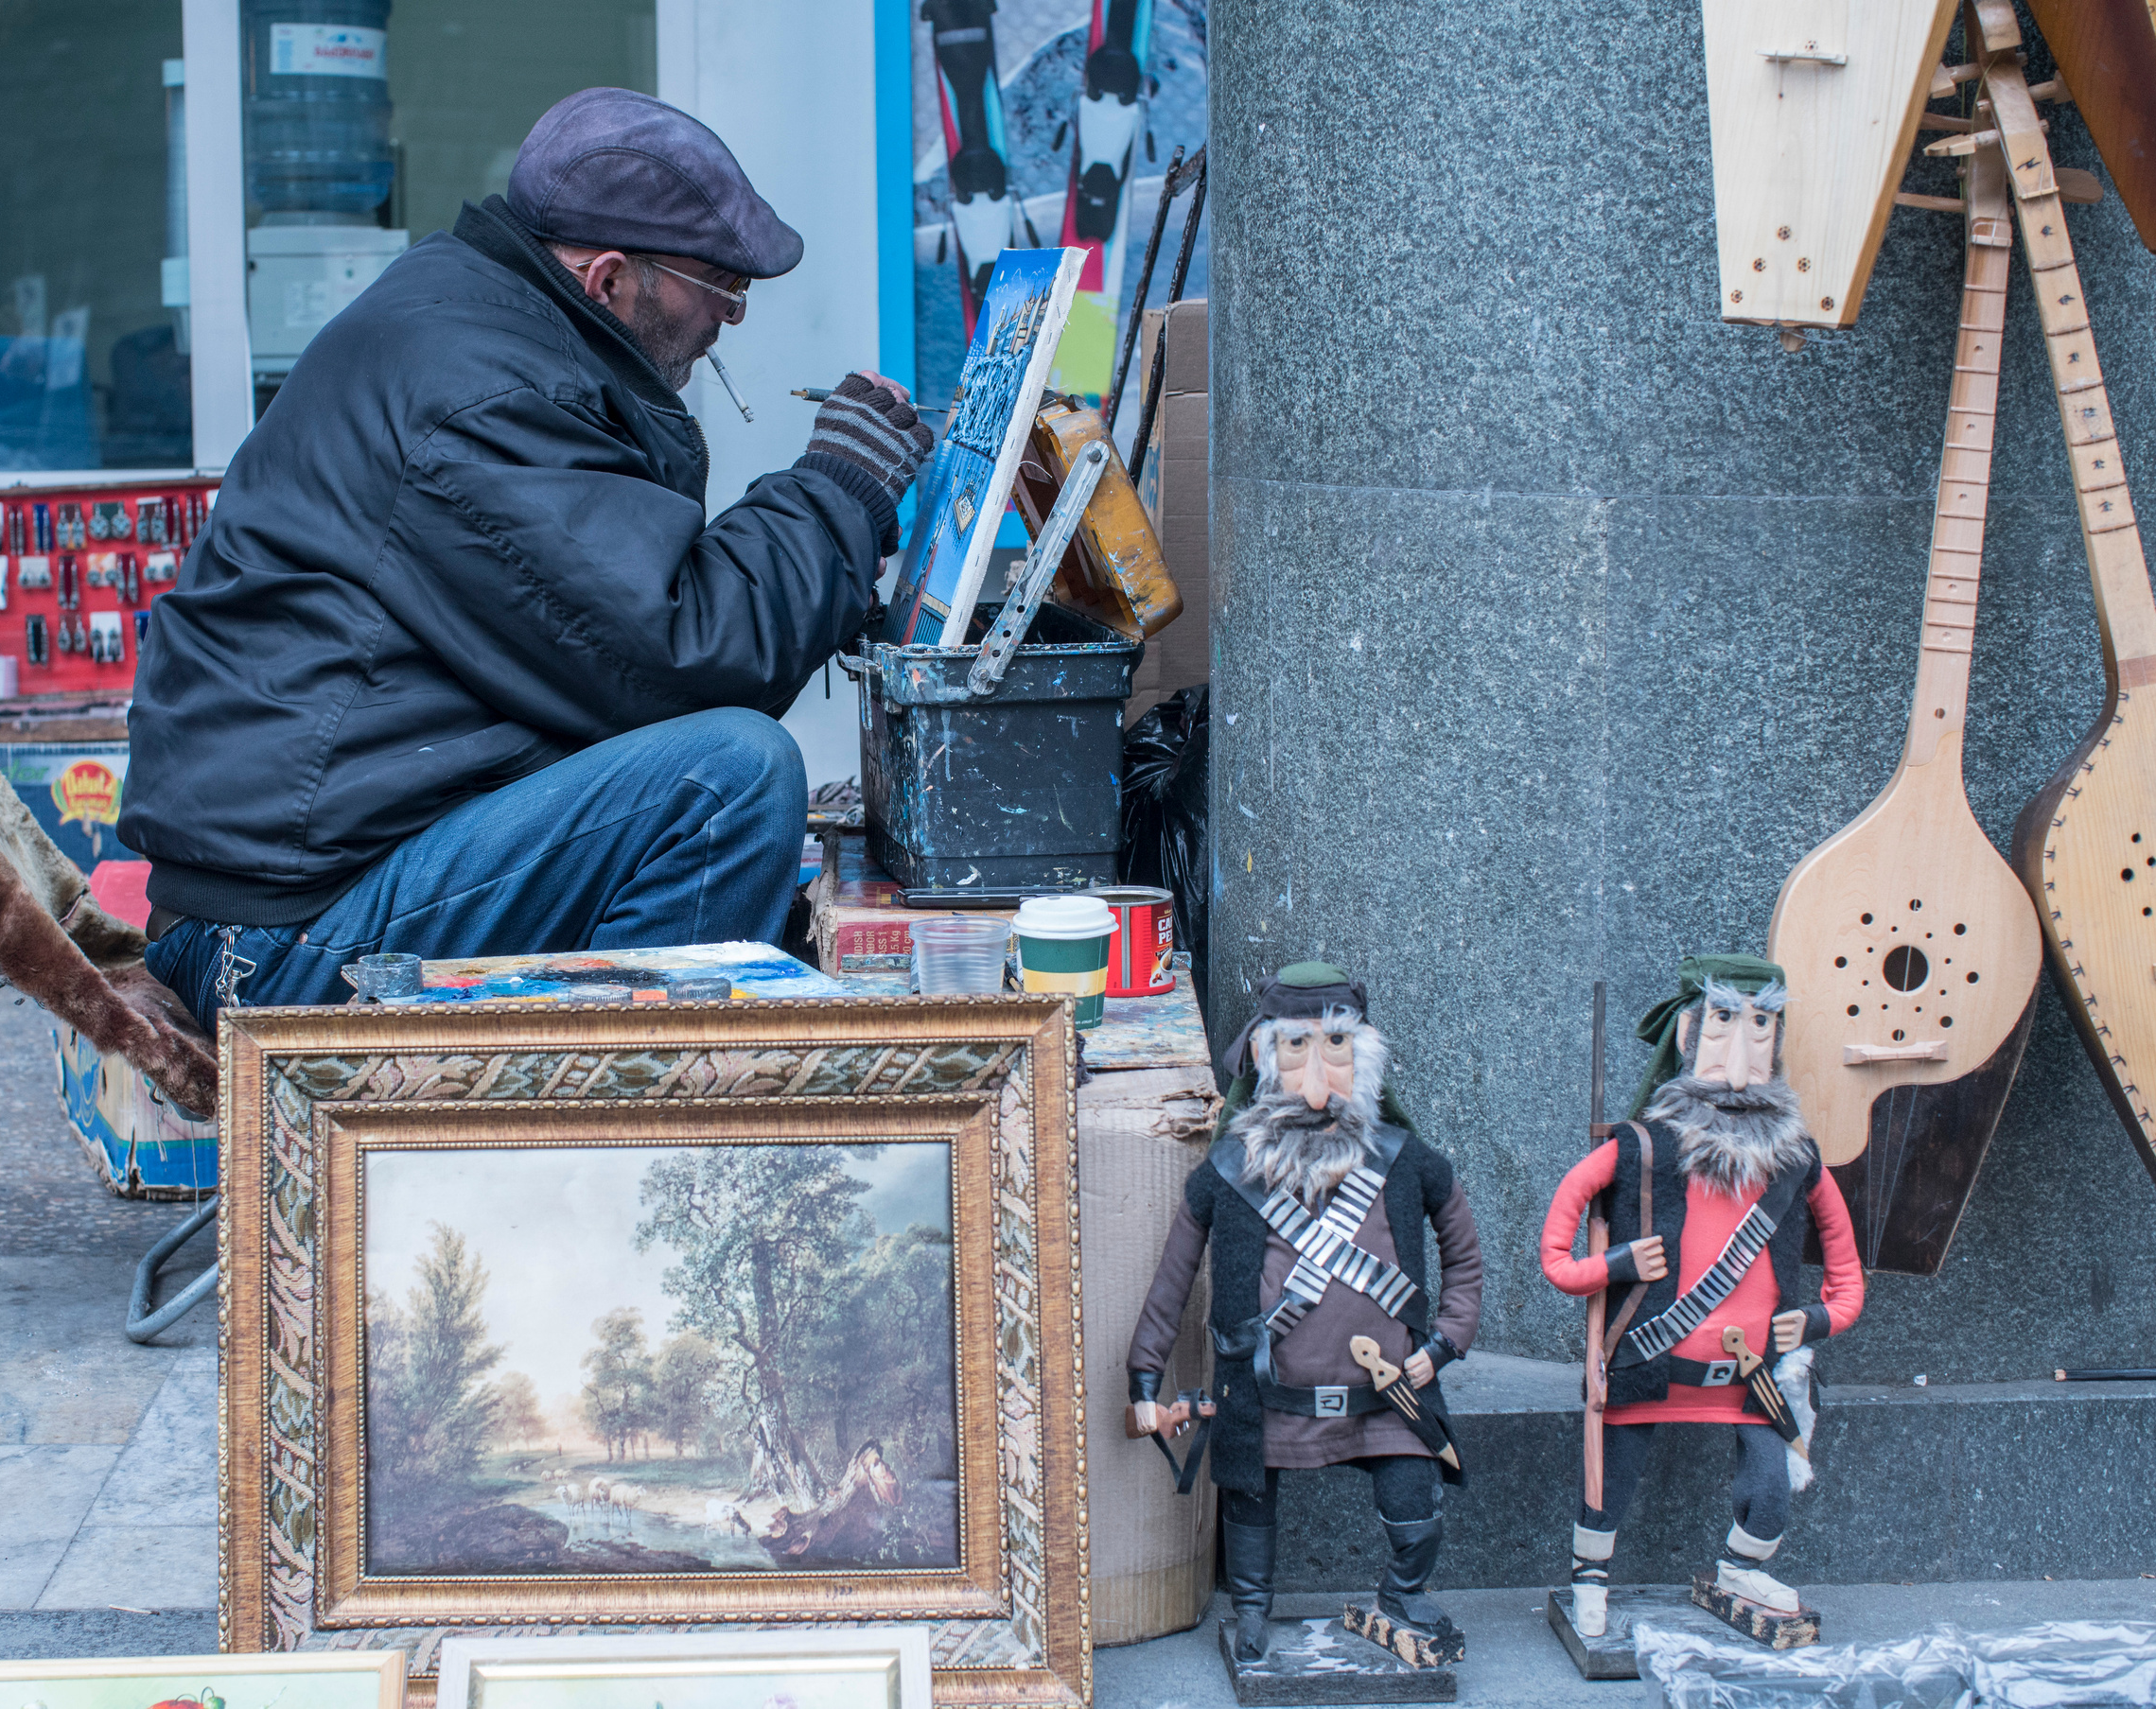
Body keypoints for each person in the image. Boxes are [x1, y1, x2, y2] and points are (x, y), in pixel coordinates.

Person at [123, 89, 932, 1026]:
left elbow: (612, 634)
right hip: (275, 939)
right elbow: (681, 653)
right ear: (610, 279)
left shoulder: (484, 322)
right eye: (720, 284)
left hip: (304, 881)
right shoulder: (484, 393)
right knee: (728, 779)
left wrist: (826, 545)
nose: (732, 315)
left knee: (708, 781)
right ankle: (631, 1110)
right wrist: (837, 491)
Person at [1126, 964, 1484, 1664]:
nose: (1319, 1081)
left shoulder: (1407, 1162)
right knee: (1250, 1502)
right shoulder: (1228, 1172)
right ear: (1267, 1056)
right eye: (1297, 1048)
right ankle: (1252, 1611)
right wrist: (1145, 1380)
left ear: (1363, 1056)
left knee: (1415, 1507)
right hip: (1264, 1398)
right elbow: (1171, 1281)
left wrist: (1444, 1342)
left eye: (1336, 1047)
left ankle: (1403, 1595)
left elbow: (1465, 1258)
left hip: (1389, 1398)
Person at [1538, 954, 1865, 1637]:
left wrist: (1814, 1320)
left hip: (1753, 1374)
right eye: (1722, 1022)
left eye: (1760, 1026)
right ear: (1689, 1034)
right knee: (1610, 1480)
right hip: (1647, 1359)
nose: (1740, 1059)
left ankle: (1743, 1567)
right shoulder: (1640, 1149)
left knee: (1771, 1487)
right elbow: (1558, 1256)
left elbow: (1846, 1275)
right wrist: (1614, 1264)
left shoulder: (1796, 1158)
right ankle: (1591, 1572)